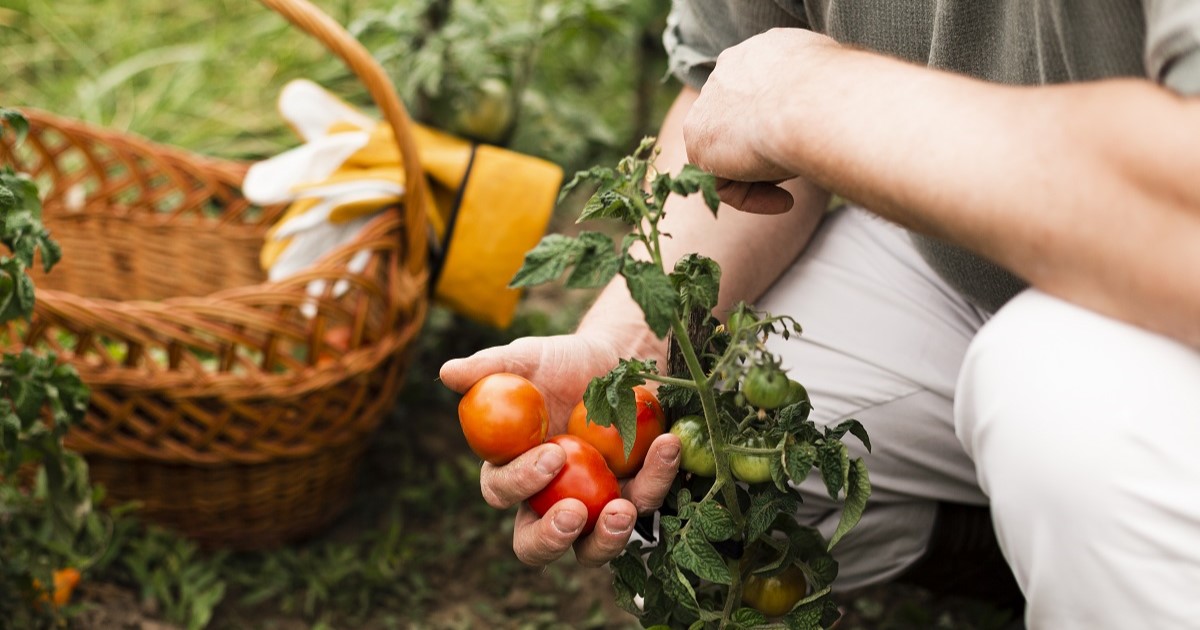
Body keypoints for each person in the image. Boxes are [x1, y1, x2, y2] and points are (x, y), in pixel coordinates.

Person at [440, 2, 1200, 628]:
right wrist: (630, 349)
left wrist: (809, 97)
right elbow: (731, 96)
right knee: (699, 465)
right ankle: (1013, 552)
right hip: (960, 254)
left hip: (1168, 294)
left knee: (1062, 406)